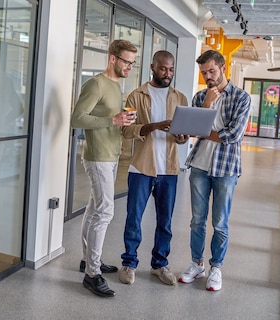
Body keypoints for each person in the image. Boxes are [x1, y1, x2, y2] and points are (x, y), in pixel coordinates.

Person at [177, 50, 251, 291]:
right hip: (199, 165)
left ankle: (216, 267)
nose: (208, 76)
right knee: (197, 220)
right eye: (204, 73)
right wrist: (207, 105)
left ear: (223, 67)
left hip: (226, 169)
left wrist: (200, 129)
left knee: (220, 222)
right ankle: (197, 264)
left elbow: (233, 135)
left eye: (212, 71)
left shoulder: (241, 98)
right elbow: (190, 129)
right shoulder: (200, 96)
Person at [70, 39, 138, 297]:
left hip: (110, 155)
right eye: (126, 62)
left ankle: (88, 261)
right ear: (112, 59)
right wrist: (113, 118)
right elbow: (77, 118)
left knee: (92, 209)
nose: (129, 67)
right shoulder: (96, 83)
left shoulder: (116, 85)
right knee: (105, 212)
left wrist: (119, 127)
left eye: (132, 63)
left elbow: (108, 120)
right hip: (97, 157)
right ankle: (92, 273)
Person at [118, 50, 189, 286]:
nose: (167, 73)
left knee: (165, 221)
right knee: (133, 219)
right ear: (152, 67)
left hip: (169, 169)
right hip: (141, 167)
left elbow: (183, 138)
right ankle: (129, 263)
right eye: (162, 69)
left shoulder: (180, 98)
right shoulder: (135, 95)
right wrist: (155, 126)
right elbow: (127, 131)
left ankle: (160, 264)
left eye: (171, 69)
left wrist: (181, 137)